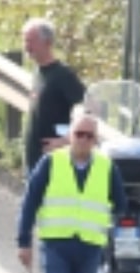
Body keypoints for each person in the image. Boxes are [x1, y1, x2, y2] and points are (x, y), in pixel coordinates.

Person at [16, 110, 128, 273]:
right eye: (79, 134)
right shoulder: (51, 162)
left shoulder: (107, 168)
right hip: (56, 245)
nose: (84, 140)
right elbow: (29, 202)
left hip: (90, 247)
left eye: (89, 136)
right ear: (70, 135)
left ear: (96, 140)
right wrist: (23, 242)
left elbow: (121, 205)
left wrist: (111, 233)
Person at [21, 18, 85, 174]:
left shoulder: (63, 75)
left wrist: (67, 140)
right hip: (33, 159)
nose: (27, 47)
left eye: (31, 41)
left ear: (48, 43)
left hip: (54, 163)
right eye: (25, 41)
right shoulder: (38, 71)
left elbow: (90, 109)